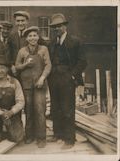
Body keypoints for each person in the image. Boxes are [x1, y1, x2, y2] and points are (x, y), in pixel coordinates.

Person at [47, 13, 87, 149]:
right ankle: (58, 134)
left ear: (64, 26)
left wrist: (72, 75)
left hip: (67, 78)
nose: (57, 29)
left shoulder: (75, 41)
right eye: (54, 27)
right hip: (53, 79)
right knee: (55, 107)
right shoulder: (52, 42)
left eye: (59, 26)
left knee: (67, 108)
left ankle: (69, 139)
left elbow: (82, 61)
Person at [15, 26, 51, 148]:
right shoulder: (22, 51)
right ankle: (29, 135)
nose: (32, 38)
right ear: (26, 38)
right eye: (30, 36)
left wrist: (42, 78)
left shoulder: (43, 49)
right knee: (29, 110)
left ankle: (41, 138)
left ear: (38, 36)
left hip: (39, 84)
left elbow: (48, 66)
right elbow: (17, 67)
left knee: (40, 110)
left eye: (35, 35)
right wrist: (25, 64)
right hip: (26, 85)